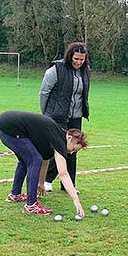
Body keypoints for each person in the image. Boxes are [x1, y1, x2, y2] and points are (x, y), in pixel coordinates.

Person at [0, 110, 87, 216]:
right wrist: (76, 200)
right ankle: (31, 206)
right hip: (10, 126)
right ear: (70, 138)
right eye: (74, 149)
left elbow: (45, 160)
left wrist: (41, 183)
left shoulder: (56, 135)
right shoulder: (60, 140)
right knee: (34, 159)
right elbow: (63, 174)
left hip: (5, 123)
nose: (71, 153)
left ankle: (15, 195)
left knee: (26, 160)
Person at [39, 42, 90, 193]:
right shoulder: (56, 70)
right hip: (56, 116)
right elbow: (44, 93)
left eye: (82, 59)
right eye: (76, 58)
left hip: (76, 116)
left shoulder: (85, 71)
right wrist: (46, 113)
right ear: (69, 56)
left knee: (73, 150)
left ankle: (69, 185)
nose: (78, 62)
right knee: (58, 148)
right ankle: (47, 179)